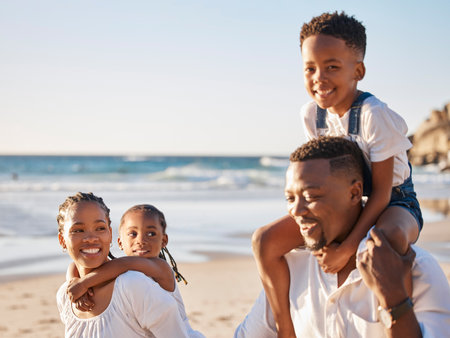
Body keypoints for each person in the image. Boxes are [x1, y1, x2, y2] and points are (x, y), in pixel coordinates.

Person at [252, 11, 423, 336]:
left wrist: (346, 248)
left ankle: (396, 322)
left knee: (385, 243)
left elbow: (383, 193)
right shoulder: (312, 115)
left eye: (332, 66)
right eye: (310, 68)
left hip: (394, 203)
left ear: (357, 71)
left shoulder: (375, 116)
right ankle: (286, 329)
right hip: (344, 204)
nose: (319, 77)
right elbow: (317, 177)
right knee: (265, 240)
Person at [235, 137, 450, 338]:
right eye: (290, 198)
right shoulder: (290, 270)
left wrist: (394, 298)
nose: (296, 210)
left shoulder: (418, 269)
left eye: (311, 196)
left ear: (355, 193)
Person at [56, 192, 190, 337]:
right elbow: (74, 266)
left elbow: (124, 263)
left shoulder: (133, 283)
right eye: (78, 230)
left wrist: (83, 283)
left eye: (100, 228)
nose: (91, 238)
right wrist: (73, 283)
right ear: (62, 240)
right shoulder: (65, 295)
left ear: (110, 232)